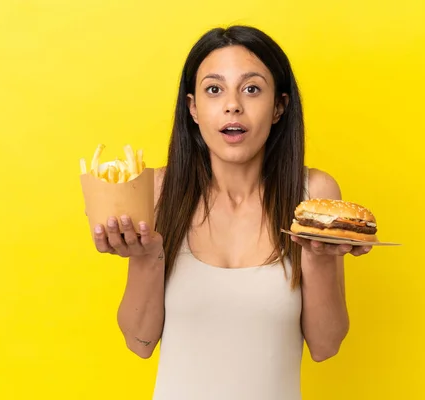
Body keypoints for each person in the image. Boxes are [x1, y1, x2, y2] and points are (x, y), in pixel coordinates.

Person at [92, 25, 372, 400]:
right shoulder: (156, 191)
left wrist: (318, 258)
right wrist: (146, 259)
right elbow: (139, 342)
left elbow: (326, 346)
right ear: (193, 107)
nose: (232, 105)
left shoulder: (313, 198)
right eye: (214, 89)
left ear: (279, 107)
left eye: (252, 88)